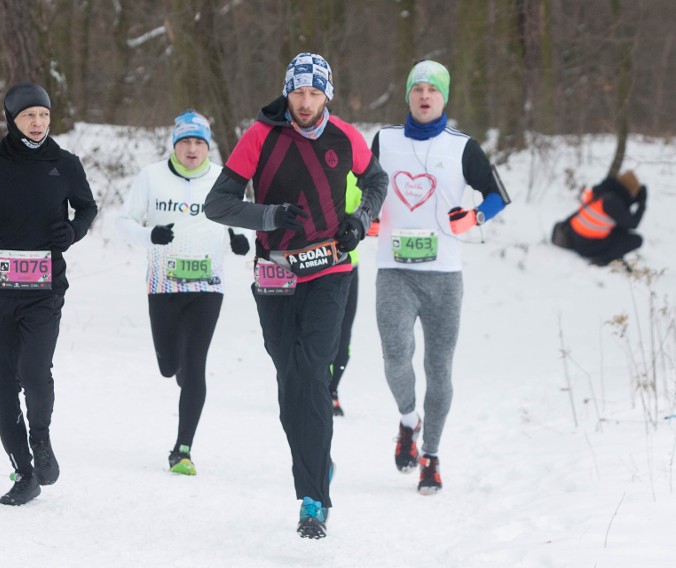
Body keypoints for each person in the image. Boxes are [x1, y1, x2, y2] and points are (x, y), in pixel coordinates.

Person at [205, 53, 388, 538]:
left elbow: (376, 181)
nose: (306, 102)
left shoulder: (346, 136)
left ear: (328, 94)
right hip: (275, 274)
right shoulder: (260, 136)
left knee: (311, 370)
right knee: (291, 383)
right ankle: (318, 462)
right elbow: (216, 203)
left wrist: (361, 218)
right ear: (287, 91)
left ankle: (312, 500)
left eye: (315, 93)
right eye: (298, 92)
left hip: (332, 271)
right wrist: (267, 217)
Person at [0, 82, 97, 506]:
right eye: (29, 115)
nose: (38, 122)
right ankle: (24, 471)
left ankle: (40, 440)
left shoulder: (64, 164)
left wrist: (75, 230)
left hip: (44, 290)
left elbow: (87, 208)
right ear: (12, 119)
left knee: (33, 370)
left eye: (44, 115)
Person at [371, 60, 509, 495]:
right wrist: (365, 215)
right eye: (417, 89)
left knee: (438, 368)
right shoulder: (384, 140)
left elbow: (498, 195)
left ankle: (431, 455)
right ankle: (408, 420)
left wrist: (475, 217)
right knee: (395, 357)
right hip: (394, 270)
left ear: (444, 98)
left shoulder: (462, 147)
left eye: (433, 90)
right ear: (408, 96)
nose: (425, 96)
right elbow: (358, 188)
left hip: (444, 276)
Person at [116, 109, 250, 476]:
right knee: (169, 365)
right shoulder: (152, 177)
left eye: (199, 142)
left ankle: (182, 449)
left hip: (208, 286)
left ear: (208, 147)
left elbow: (246, 223)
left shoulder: (224, 179)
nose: (192, 149)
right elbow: (122, 222)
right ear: (175, 144)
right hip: (163, 284)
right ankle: (177, 369)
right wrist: (149, 236)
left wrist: (242, 240)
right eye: (185, 141)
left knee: (194, 366)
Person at [553, 170, 646, 267]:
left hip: (574, 236)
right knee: (636, 240)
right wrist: (642, 204)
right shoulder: (612, 202)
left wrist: (635, 200)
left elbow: (623, 216)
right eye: (634, 191)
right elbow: (633, 224)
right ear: (629, 189)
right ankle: (601, 260)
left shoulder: (603, 191)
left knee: (622, 230)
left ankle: (615, 257)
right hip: (586, 246)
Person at [329, 172, 362, 417]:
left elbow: (371, 204)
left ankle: (331, 389)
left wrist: (357, 221)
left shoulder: (356, 166)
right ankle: (309, 386)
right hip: (310, 262)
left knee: (343, 332)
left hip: (348, 263)